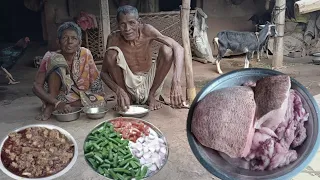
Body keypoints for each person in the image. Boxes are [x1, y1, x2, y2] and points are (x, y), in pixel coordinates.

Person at [101, 5, 185, 111]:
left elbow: (178, 48)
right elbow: (103, 73)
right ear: (118, 25)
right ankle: (127, 97)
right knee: (111, 54)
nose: (127, 29)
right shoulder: (114, 39)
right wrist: (119, 90)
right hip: (127, 84)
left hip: (149, 81)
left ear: (139, 22)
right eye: (123, 24)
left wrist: (176, 82)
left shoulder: (146, 30)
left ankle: (151, 95)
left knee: (167, 50)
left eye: (132, 23)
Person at [33, 21, 106, 121]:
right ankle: (52, 106)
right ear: (58, 42)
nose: (69, 42)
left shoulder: (85, 53)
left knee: (101, 100)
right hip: (55, 96)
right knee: (57, 60)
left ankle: (65, 106)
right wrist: (56, 102)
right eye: (64, 38)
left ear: (79, 42)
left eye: (74, 38)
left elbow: (95, 81)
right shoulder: (49, 57)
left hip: (80, 96)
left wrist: (99, 97)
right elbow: (36, 87)